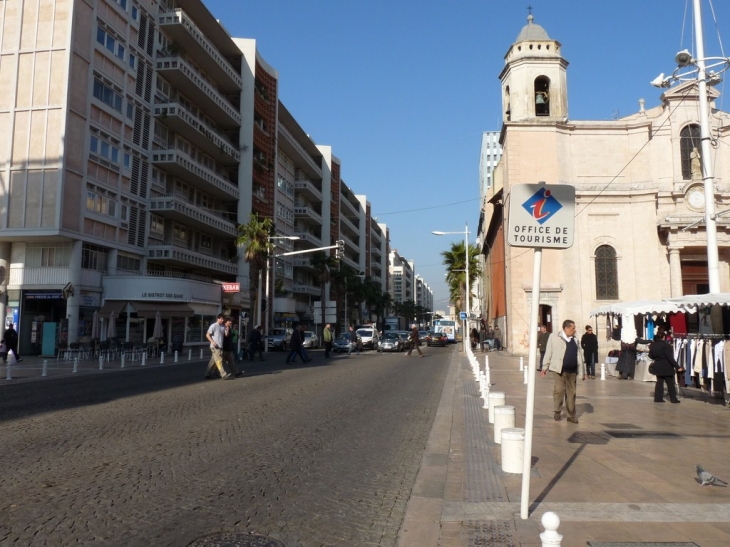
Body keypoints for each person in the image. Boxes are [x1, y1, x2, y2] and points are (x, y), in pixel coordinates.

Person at [540, 319, 586, 423]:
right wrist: (544, 367)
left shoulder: (576, 339)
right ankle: (557, 410)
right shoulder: (554, 337)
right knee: (559, 390)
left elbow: (580, 355)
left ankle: (571, 415)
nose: (574, 330)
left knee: (571, 393)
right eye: (572, 328)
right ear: (566, 328)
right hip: (558, 369)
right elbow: (548, 352)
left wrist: (583, 371)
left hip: (572, 370)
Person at [648, 326, 683, 403]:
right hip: (667, 367)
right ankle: (673, 399)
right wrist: (677, 367)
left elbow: (650, 356)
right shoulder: (666, 346)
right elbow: (670, 358)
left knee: (659, 383)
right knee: (670, 383)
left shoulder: (653, 345)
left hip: (658, 366)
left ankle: (658, 398)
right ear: (663, 337)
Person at [204, 314, 233, 380]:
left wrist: (227, 330)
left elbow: (226, 335)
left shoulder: (223, 326)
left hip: (220, 346)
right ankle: (223, 374)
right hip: (214, 346)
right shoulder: (213, 326)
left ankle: (207, 374)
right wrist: (212, 342)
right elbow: (207, 335)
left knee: (213, 361)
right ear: (218, 319)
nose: (222, 320)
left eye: (223, 319)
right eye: (221, 319)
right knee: (219, 360)